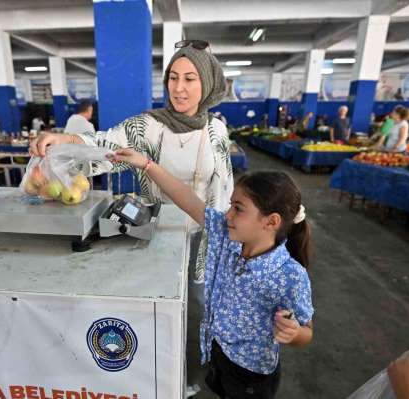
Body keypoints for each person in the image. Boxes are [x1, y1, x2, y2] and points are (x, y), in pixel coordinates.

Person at [112, 150, 314, 399]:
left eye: (238, 209)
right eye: (230, 205)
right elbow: (186, 197)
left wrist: (294, 333)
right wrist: (146, 164)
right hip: (217, 352)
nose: (227, 215)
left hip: (251, 376)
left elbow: (306, 332)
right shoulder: (229, 239)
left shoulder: (290, 276)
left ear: (271, 222)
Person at [32, 40, 233, 279]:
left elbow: (223, 190)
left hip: (203, 238)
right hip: (157, 232)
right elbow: (105, 143)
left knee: (197, 303)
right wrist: (63, 140)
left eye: (189, 79)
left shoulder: (216, 131)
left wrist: (224, 242)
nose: (178, 88)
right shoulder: (148, 126)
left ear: (207, 83)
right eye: (173, 78)